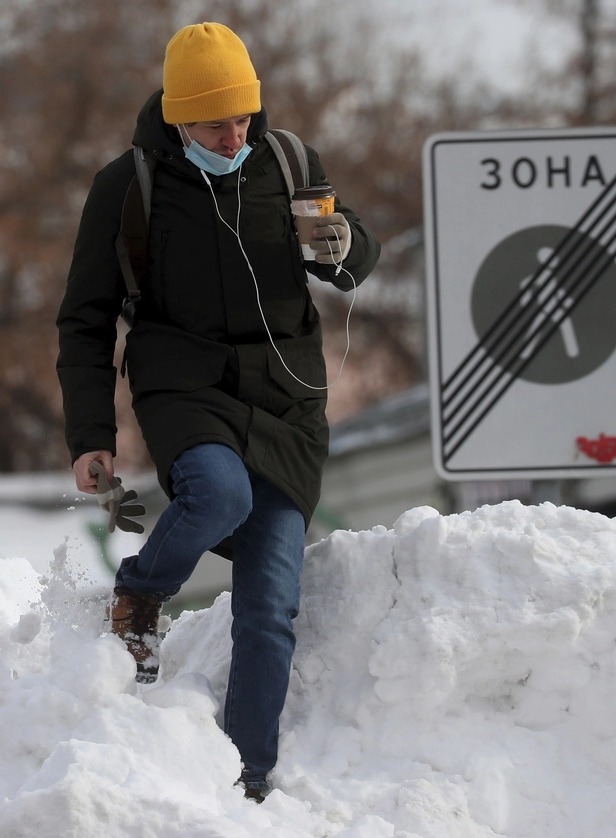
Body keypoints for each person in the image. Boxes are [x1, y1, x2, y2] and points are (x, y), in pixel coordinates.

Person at [56, 21, 380, 801]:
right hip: (184, 384)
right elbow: (85, 319)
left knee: (270, 608)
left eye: (242, 117)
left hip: (287, 399)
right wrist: (91, 435)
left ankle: (247, 784)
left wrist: (342, 245)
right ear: (177, 117)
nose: (233, 136)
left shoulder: (289, 164)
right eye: (212, 125)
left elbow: (353, 260)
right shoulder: (128, 187)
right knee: (218, 492)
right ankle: (140, 593)